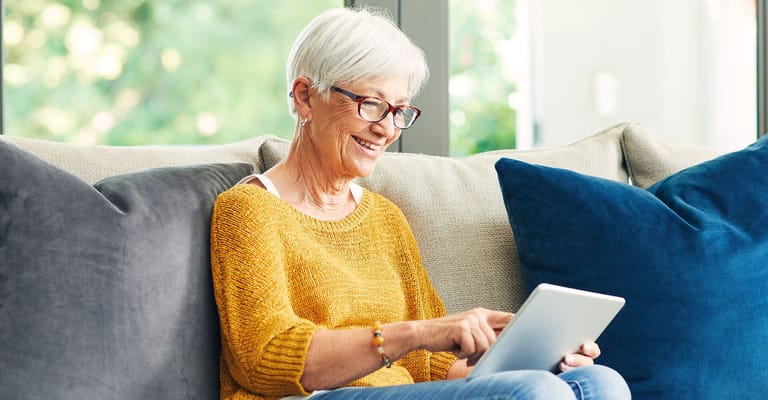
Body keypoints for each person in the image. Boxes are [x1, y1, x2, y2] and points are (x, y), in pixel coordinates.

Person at [209, 6, 631, 400]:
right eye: (371, 105)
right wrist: (412, 333)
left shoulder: (383, 218)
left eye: (400, 111)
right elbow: (262, 358)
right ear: (305, 97)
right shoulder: (249, 210)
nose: (387, 129)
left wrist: (525, 359)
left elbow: (430, 366)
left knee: (596, 381)